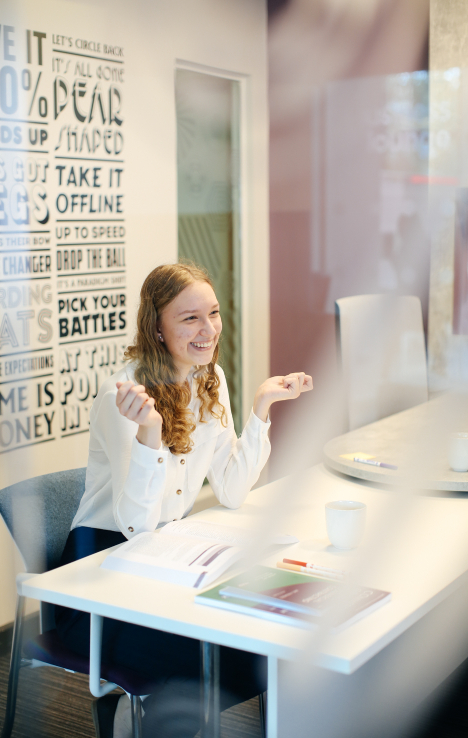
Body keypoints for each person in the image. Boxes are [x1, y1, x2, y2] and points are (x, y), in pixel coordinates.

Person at [55, 262, 313, 738]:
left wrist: (261, 408)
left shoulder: (208, 379)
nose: (208, 329)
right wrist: (150, 435)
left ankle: (147, 721)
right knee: (205, 656)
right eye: (189, 318)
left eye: (212, 314)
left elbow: (233, 490)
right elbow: (135, 524)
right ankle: (130, 719)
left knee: (257, 643)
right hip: (101, 567)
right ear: (157, 326)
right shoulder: (124, 395)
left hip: (163, 554)